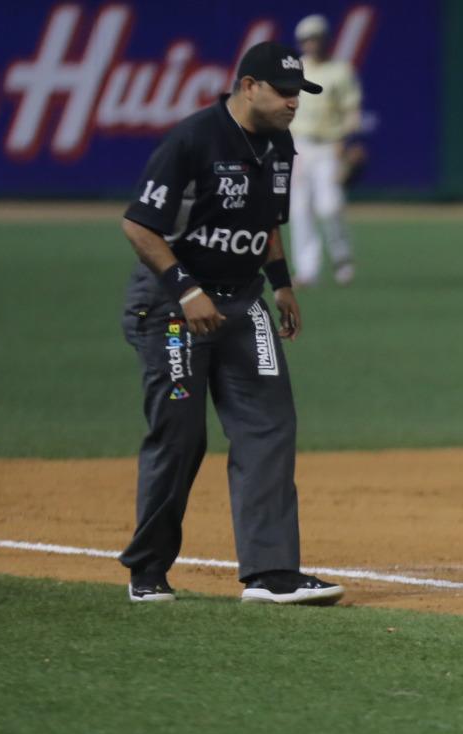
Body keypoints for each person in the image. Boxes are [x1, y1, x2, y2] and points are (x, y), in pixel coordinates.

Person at [117, 40, 343, 606]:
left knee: (269, 426)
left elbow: (266, 222)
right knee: (181, 435)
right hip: (174, 307)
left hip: (244, 303)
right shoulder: (193, 140)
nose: (295, 102)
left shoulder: (281, 146)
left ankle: (270, 574)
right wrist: (186, 291)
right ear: (249, 87)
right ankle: (147, 570)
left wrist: (283, 282)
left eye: (300, 92)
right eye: (285, 91)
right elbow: (139, 226)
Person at [289, 14, 363, 287]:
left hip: (330, 146)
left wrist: (345, 143)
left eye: (316, 38)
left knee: (329, 206)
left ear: (325, 40)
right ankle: (307, 271)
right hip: (300, 146)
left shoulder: (339, 71)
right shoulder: (296, 70)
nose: (312, 44)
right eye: (307, 39)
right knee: (300, 209)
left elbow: (351, 111)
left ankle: (342, 257)